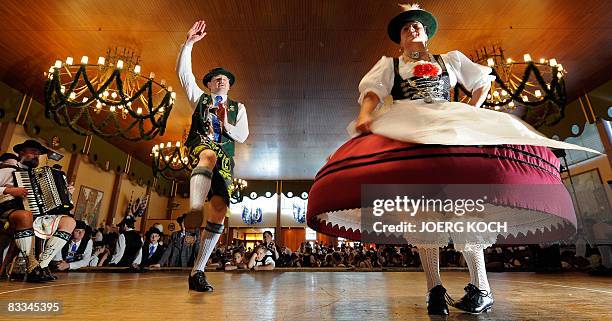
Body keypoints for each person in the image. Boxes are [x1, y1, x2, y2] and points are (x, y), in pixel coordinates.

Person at [306, 4, 597, 316]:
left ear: (427, 34)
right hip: (408, 125)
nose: (412, 30)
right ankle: (434, 290)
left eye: (417, 26)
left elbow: (481, 81)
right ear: (400, 41)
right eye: (406, 28)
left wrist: (471, 106)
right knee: (420, 214)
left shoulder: (451, 59)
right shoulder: (389, 65)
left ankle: (482, 288)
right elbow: (372, 93)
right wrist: (365, 116)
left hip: (448, 124)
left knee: (465, 210)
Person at [177, 20, 249, 292]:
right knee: (207, 155)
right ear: (208, 85)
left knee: (219, 211)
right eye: (216, 78)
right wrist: (189, 44)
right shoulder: (200, 99)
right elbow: (184, 75)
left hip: (226, 158)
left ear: (229, 86)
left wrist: (224, 123)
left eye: (226, 79)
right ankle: (195, 209)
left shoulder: (238, 108)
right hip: (202, 145)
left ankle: (198, 272)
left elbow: (242, 136)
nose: (221, 81)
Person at [0, 140, 76, 282]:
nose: (36, 156)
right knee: (26, 215)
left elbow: (50, 202)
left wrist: (66, 192)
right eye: (33, 152)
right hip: (7, 212)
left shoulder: (40, 175)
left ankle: (42, 265)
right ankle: (31, 265)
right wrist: (9, 190)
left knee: (69, 222)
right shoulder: (8, 170)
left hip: (37, 216)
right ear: (21, 152)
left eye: (38, 154)